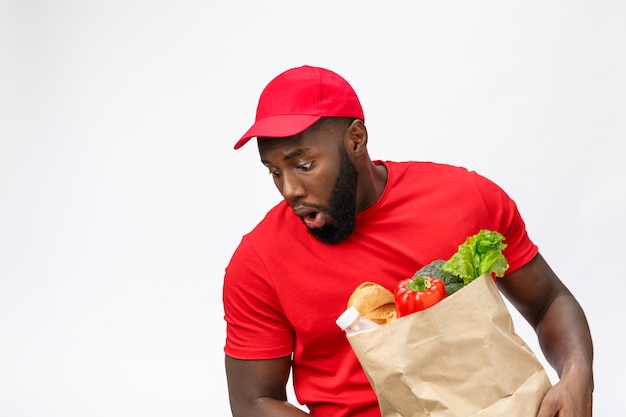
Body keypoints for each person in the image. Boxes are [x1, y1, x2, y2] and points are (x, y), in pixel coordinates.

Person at [222, 65, 593, 417]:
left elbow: (548, 301)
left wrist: (577, 375)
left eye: (303, 165)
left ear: (355, 139)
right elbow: (254, 401)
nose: (289, 190)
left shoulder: (465, 198)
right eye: (274, 172)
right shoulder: (259, 261)